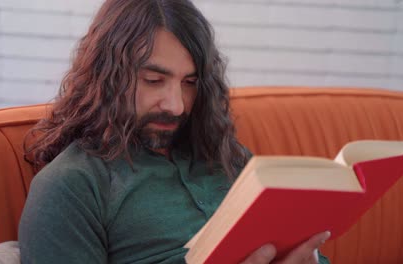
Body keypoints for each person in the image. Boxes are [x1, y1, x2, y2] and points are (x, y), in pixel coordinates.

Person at [18, 0, 331, 263]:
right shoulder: (71, 186)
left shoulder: (224, 154)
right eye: (154, 81)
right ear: (106, 78)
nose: (176, 106)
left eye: (190, 83)